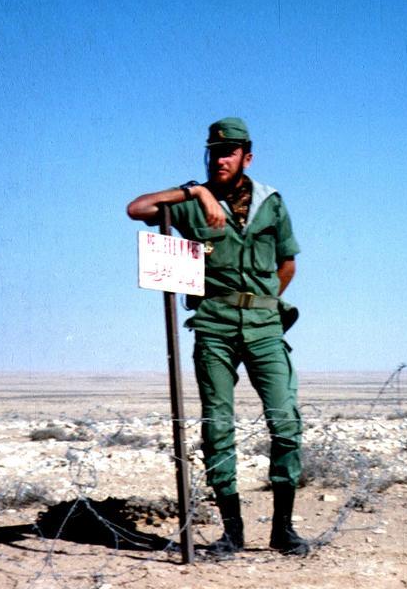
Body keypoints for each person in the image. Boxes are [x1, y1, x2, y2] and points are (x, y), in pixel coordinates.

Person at [126, 117, 309, 557]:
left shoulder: (271, 203)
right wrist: (197, 191)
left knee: (285, 422)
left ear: (247, 156)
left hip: (265, 326)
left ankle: (283, 529)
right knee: (218, 426)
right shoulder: (192, 203)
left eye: (229, 152)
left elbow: (288, 263)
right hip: (214, 327)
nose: (220, 159)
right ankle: (233, 532)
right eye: (214, 152)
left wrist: (258, 301)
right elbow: (138, 208)